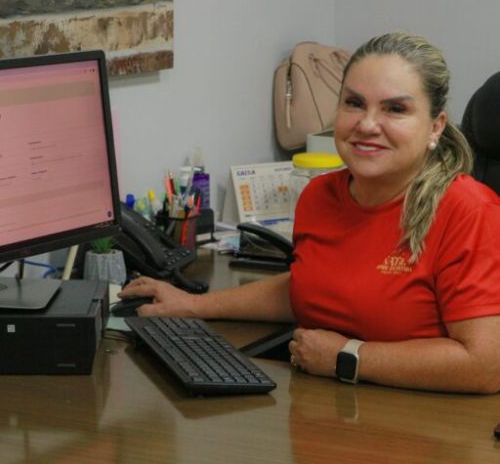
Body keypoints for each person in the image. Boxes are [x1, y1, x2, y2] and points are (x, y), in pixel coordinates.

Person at [119, 32, 500, 394]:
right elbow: (311, 287)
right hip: (326, 416)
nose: (367, 125)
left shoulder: (468, 212)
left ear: (435, 127)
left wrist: (346, 358)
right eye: (354, 103)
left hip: (423, 432)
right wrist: (193, 305)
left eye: (395, 109)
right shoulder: (319, 196)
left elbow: (484, 365)